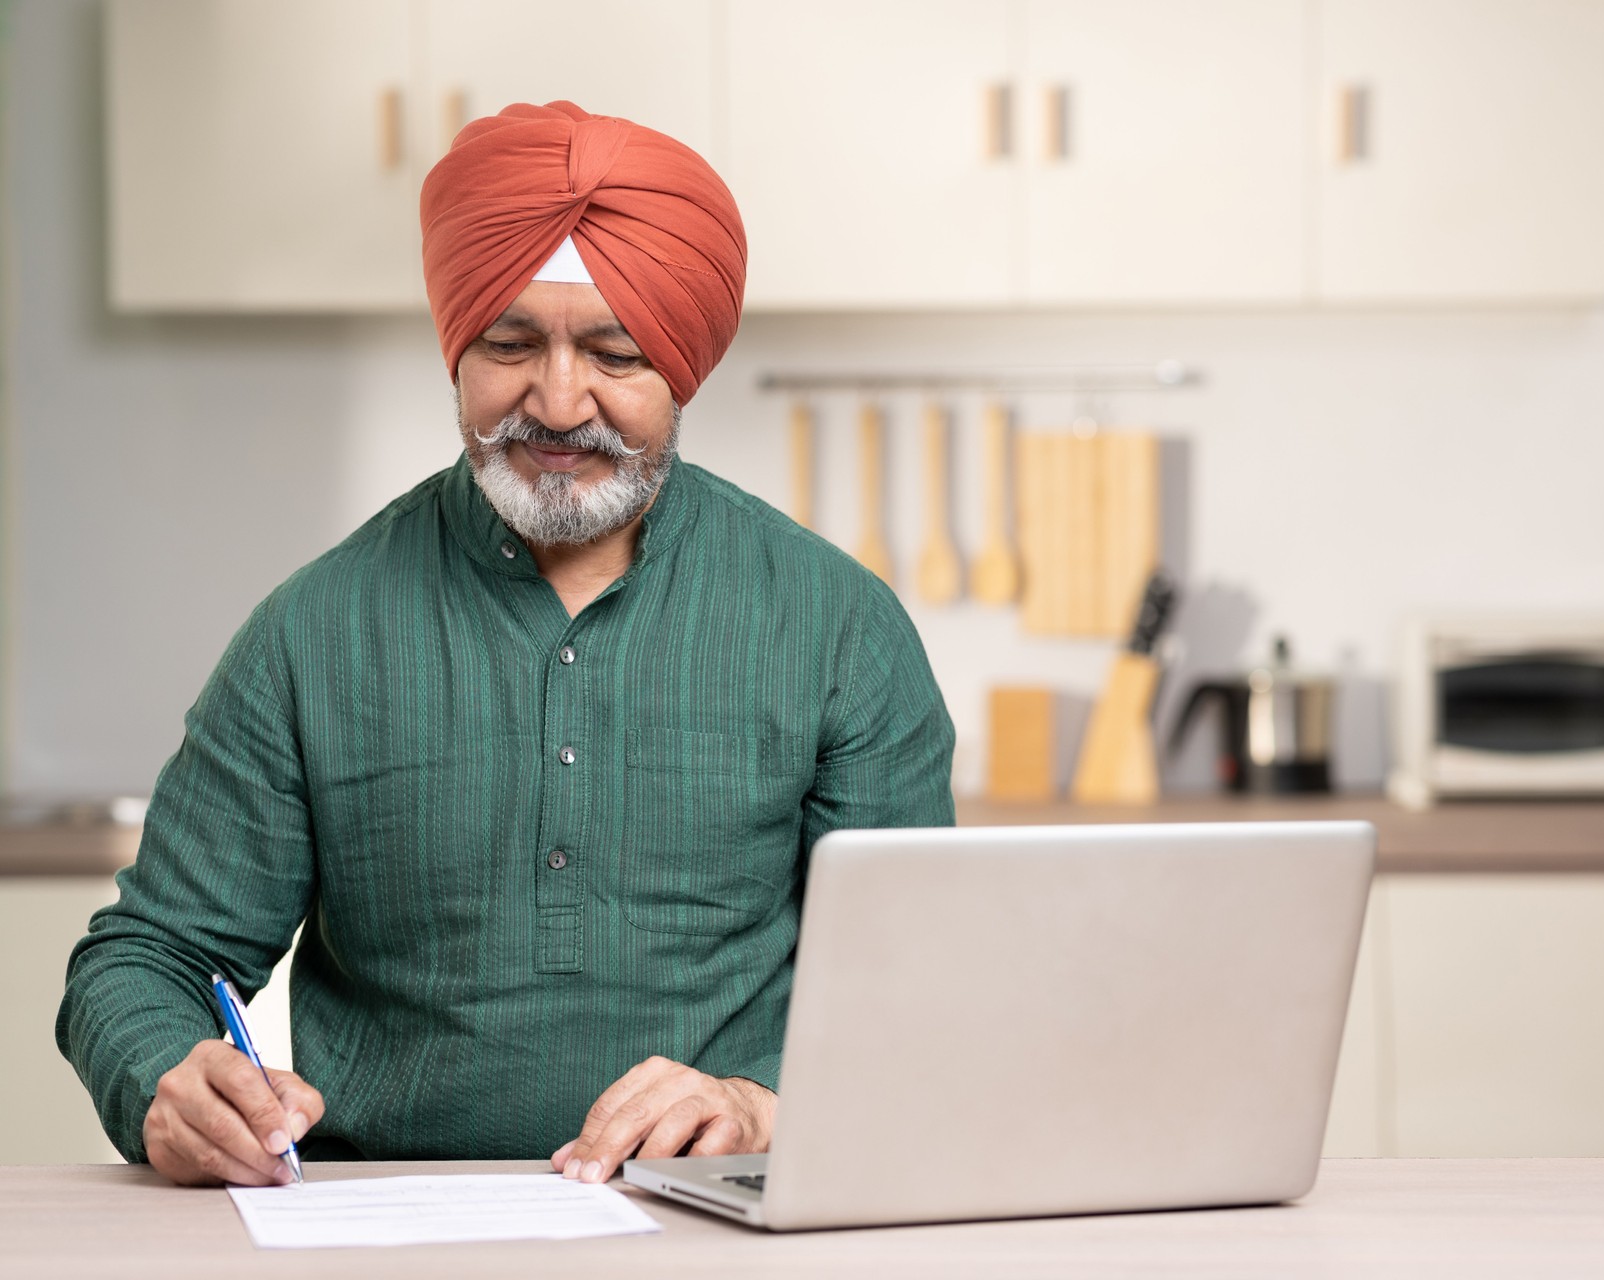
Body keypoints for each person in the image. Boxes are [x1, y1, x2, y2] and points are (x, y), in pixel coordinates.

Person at [56, 101, 955, 1188]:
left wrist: (761, 1103)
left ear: (684, 367)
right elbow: (147, 955)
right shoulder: (314, 628)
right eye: (512, 343)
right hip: (379, 1222)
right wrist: (164, 1077)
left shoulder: (841, 628)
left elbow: (921, 988)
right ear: (457, 349)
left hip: (721, 1211)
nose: (559, 399)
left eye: (616, 354)